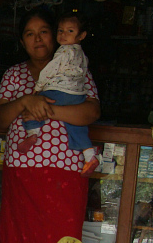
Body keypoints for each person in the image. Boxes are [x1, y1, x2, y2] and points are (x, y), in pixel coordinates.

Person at [0, 8, 101, 243]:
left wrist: (50, 111)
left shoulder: (76, 70)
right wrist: (25, 102)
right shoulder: (14, 74)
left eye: (43, 32)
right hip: (22, 172)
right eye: (30, 34)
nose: (38, 39)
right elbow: (0, 119)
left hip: (64, 172)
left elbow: (91, 112)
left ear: (55, 36)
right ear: (22, 41)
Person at [18, 11, 100, 176]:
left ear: (82, 35)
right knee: (76, 125)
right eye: (60, 31)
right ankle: (90, 155)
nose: (63, 35)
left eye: (70, 31)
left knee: (35, 108)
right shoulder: (82, 55)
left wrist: (39, 87)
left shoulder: (64, 51)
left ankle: (32, 133)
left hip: (61, 90)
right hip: (77, 95)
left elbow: (50, 69)